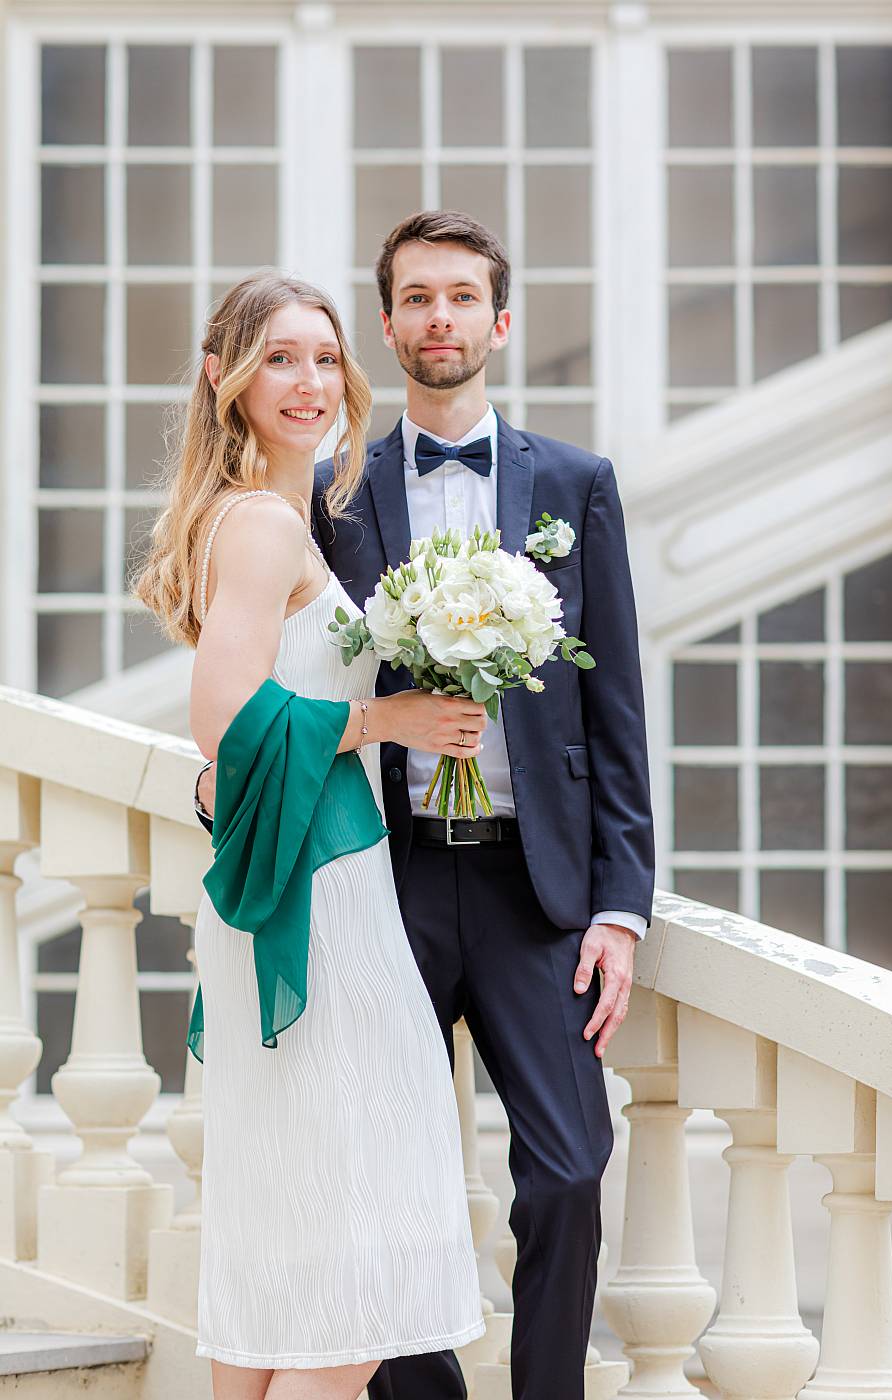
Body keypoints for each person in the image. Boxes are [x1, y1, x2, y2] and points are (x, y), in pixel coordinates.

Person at [198, 211, 655, 1400]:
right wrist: (231, 770)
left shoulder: (576, 485)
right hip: (382, 875)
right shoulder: (330, 496)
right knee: (383, 1174)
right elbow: (266, 671)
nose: (438, 318)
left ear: (499, 322)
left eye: (462, 296)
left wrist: (621, 905)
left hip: (533, 883)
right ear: (389, 324)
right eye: (414, 297)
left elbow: (617, 716)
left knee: (563, 1167)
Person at [136, 271, 486, 1400]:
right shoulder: (263, 523)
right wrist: (383, 717)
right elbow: (222, 721)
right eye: (280, 358)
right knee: (365, 1259)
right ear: (225, 376)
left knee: (287, 1238)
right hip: (322, 903)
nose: (309, 382)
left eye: (325, 358)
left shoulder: (277, 518)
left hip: (322, 877)